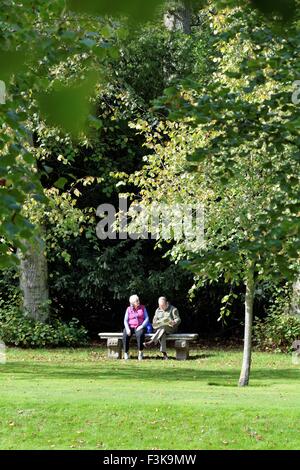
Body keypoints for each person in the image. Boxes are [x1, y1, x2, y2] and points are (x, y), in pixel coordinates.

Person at [123, 294, 149, 361]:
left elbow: (147, 318)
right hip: (130, 326)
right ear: (132, 303)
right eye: (136, 301)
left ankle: (140, 352)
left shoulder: (143, 307)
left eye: (138, 300)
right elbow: (125, 320)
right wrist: (127, 329)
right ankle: (126, 352)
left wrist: (142, 326)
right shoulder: (128, 309)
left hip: (140, 326)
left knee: (140, 335)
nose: (138, 301)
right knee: (125, 334)